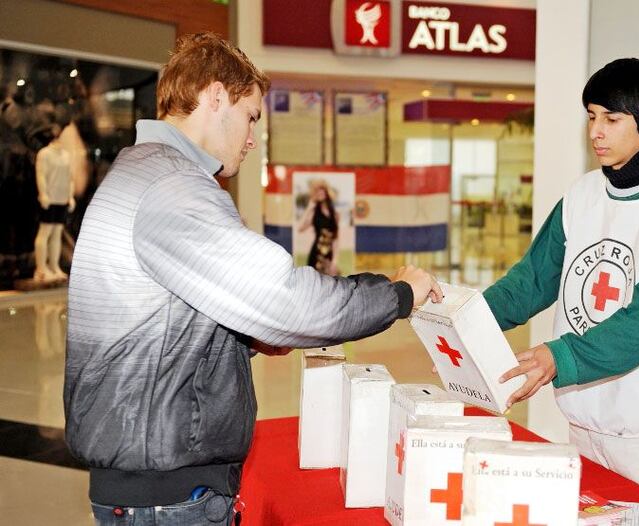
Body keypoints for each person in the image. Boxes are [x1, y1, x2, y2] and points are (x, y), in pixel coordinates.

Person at [64, 32, 442, 525]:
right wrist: (398, 295)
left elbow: (156, 327)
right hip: (167, 498)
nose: (251, 138)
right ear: (216, 96)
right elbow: (289, 302)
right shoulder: (173, 187)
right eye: (250, 117)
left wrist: (242, 340)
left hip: (150, 485)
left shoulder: (143, 172)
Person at [484, 58, 639, 503]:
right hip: (582, 409)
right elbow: (532, 281)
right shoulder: (582, 195)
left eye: (612, 119)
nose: (596, 131)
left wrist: (559, 356)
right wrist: (466, 320)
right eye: (592, 117)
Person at [33, 121, 75, 282]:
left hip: (62, 199)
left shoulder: (66, 155)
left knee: (57, 232)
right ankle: (41, 268)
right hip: (49, 199)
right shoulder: (44, 154)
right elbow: (41, 175)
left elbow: (70, 178)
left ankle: (54, 266)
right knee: (45, 232)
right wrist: (43, 194)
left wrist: (70, 197)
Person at [298, 179, 339, 275]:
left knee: (329, 284)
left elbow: (336, 239)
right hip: (316, 253)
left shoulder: (335, 214)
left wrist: (335, 260)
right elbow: (300, 228)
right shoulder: (314, 212)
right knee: (315, 283)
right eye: (318, 192)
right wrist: (308, 208)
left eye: (322, 191)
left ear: (326, 193)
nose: (320, 194)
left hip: (329, 254)